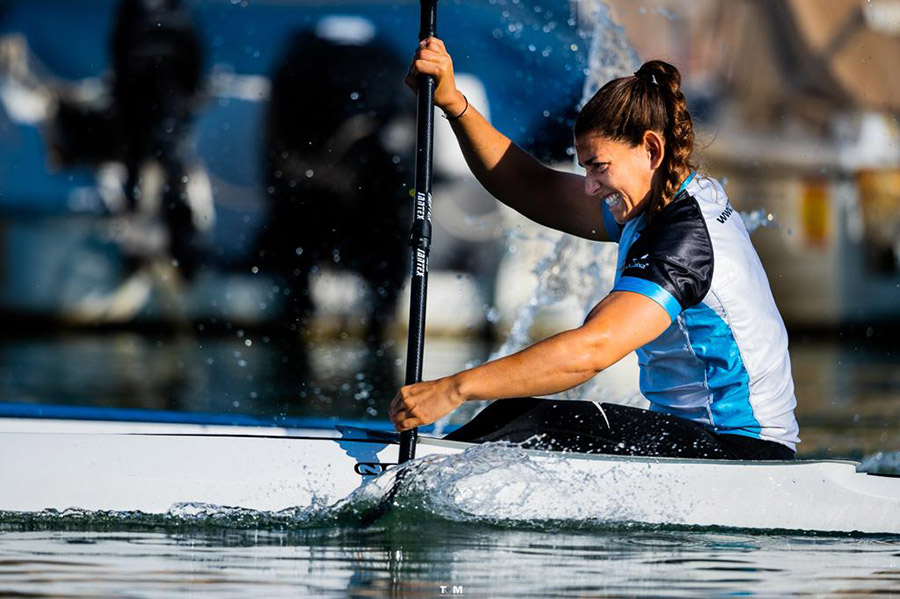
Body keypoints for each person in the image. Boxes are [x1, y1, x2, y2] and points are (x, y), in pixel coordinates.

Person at [390, 38, 800, 461]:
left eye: (598, 167)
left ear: (651, 149)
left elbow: (591, 351)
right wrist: (454, 103)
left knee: (525, 421)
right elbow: (534, 187)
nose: (589, 186)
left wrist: (454, 387)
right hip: (698, 442)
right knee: (518, 420)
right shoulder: (657, 197)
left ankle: (424, 466)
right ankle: (438, 459)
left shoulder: (684, 238)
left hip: (742, 454)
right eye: (585, 168)